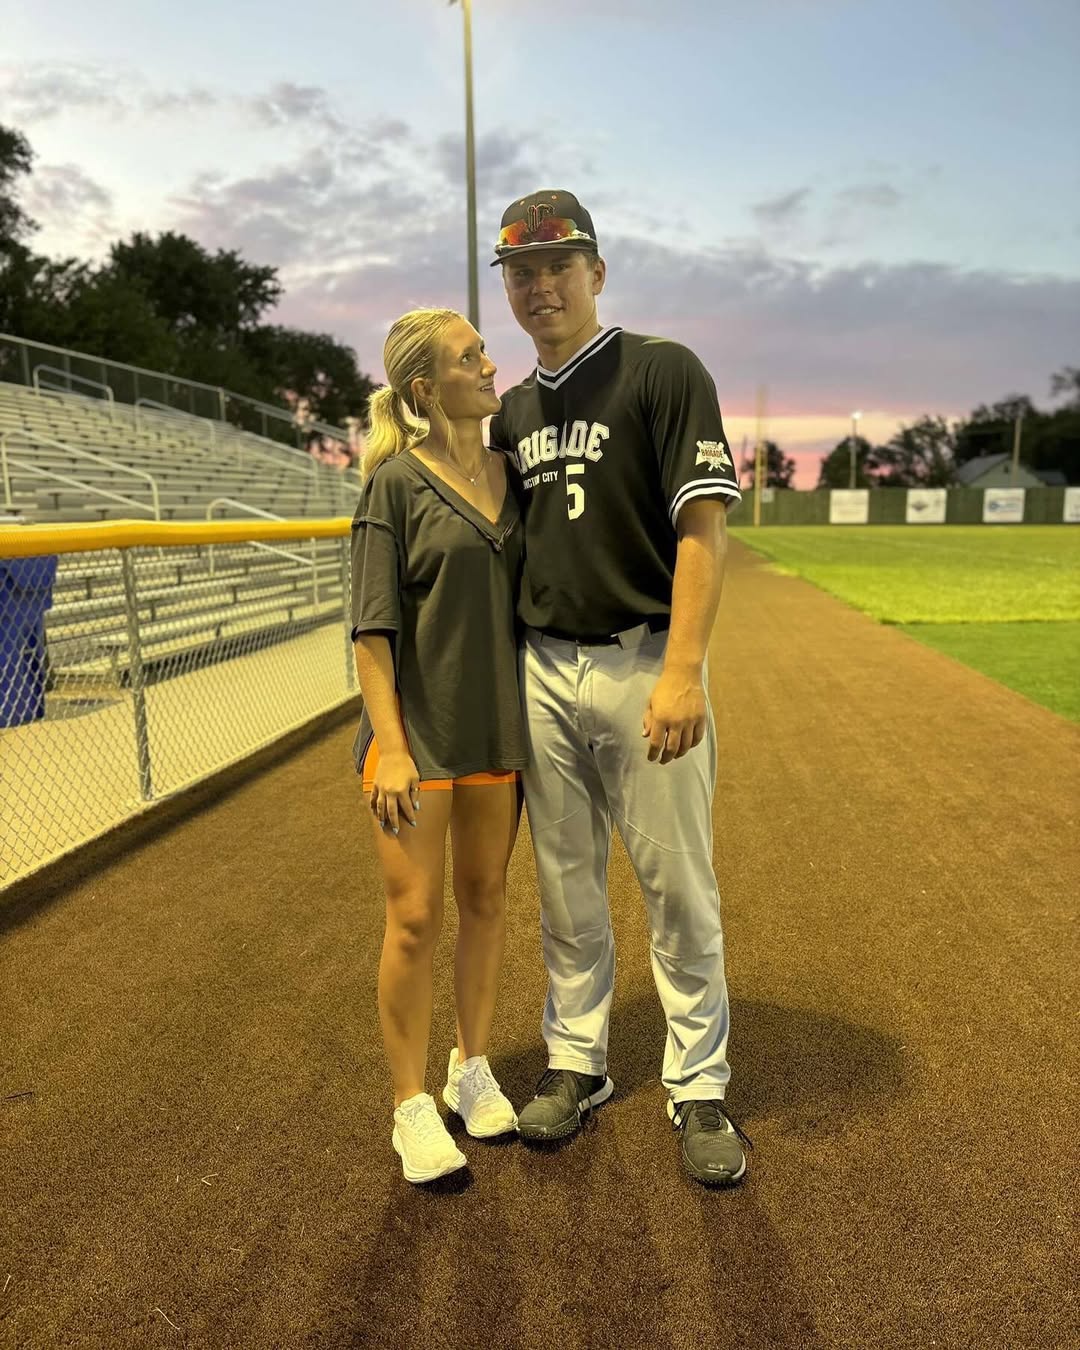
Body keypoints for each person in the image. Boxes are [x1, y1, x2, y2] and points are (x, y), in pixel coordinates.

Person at [487, 190, 750, 1186]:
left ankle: (699, 1081)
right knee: (565, 884)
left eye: (559, 264)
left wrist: (683, 669)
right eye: (521, 271)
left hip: (646, 659)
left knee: (677, 882)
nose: (540, 285)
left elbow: (703, 530)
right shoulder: (512, 412)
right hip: (543, 666)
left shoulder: (663, 370)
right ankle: (577, 1061)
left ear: (596, 272)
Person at [351, 307, 526, 1184]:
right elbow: (371, 634)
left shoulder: (512, 473)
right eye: (470, 357)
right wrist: (390, 746)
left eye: (484, 351)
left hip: (497, 729)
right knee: (416, 918)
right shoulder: (393, 485)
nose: (490, 365)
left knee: (486, 899)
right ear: (426, 388)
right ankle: (410, 1105)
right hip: (416, 738)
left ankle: (471, 1065)